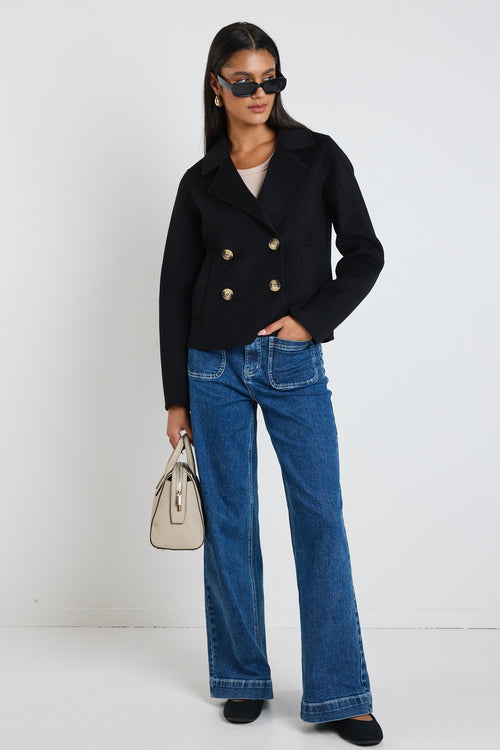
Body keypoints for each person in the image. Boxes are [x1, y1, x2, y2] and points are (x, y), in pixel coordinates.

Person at [159, 21, 385, 746]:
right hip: (212, 365)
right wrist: (175, 396)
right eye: (245, 81)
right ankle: (242, 678)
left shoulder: (317, 156)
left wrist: (310, 322)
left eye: (271, 80)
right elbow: (174, 290)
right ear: (216, 87)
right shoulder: (201, 181)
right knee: (230, 524)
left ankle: (341, 692)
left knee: (320, 520)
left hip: (291, 362)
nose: (260, 93)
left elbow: (365, 254)